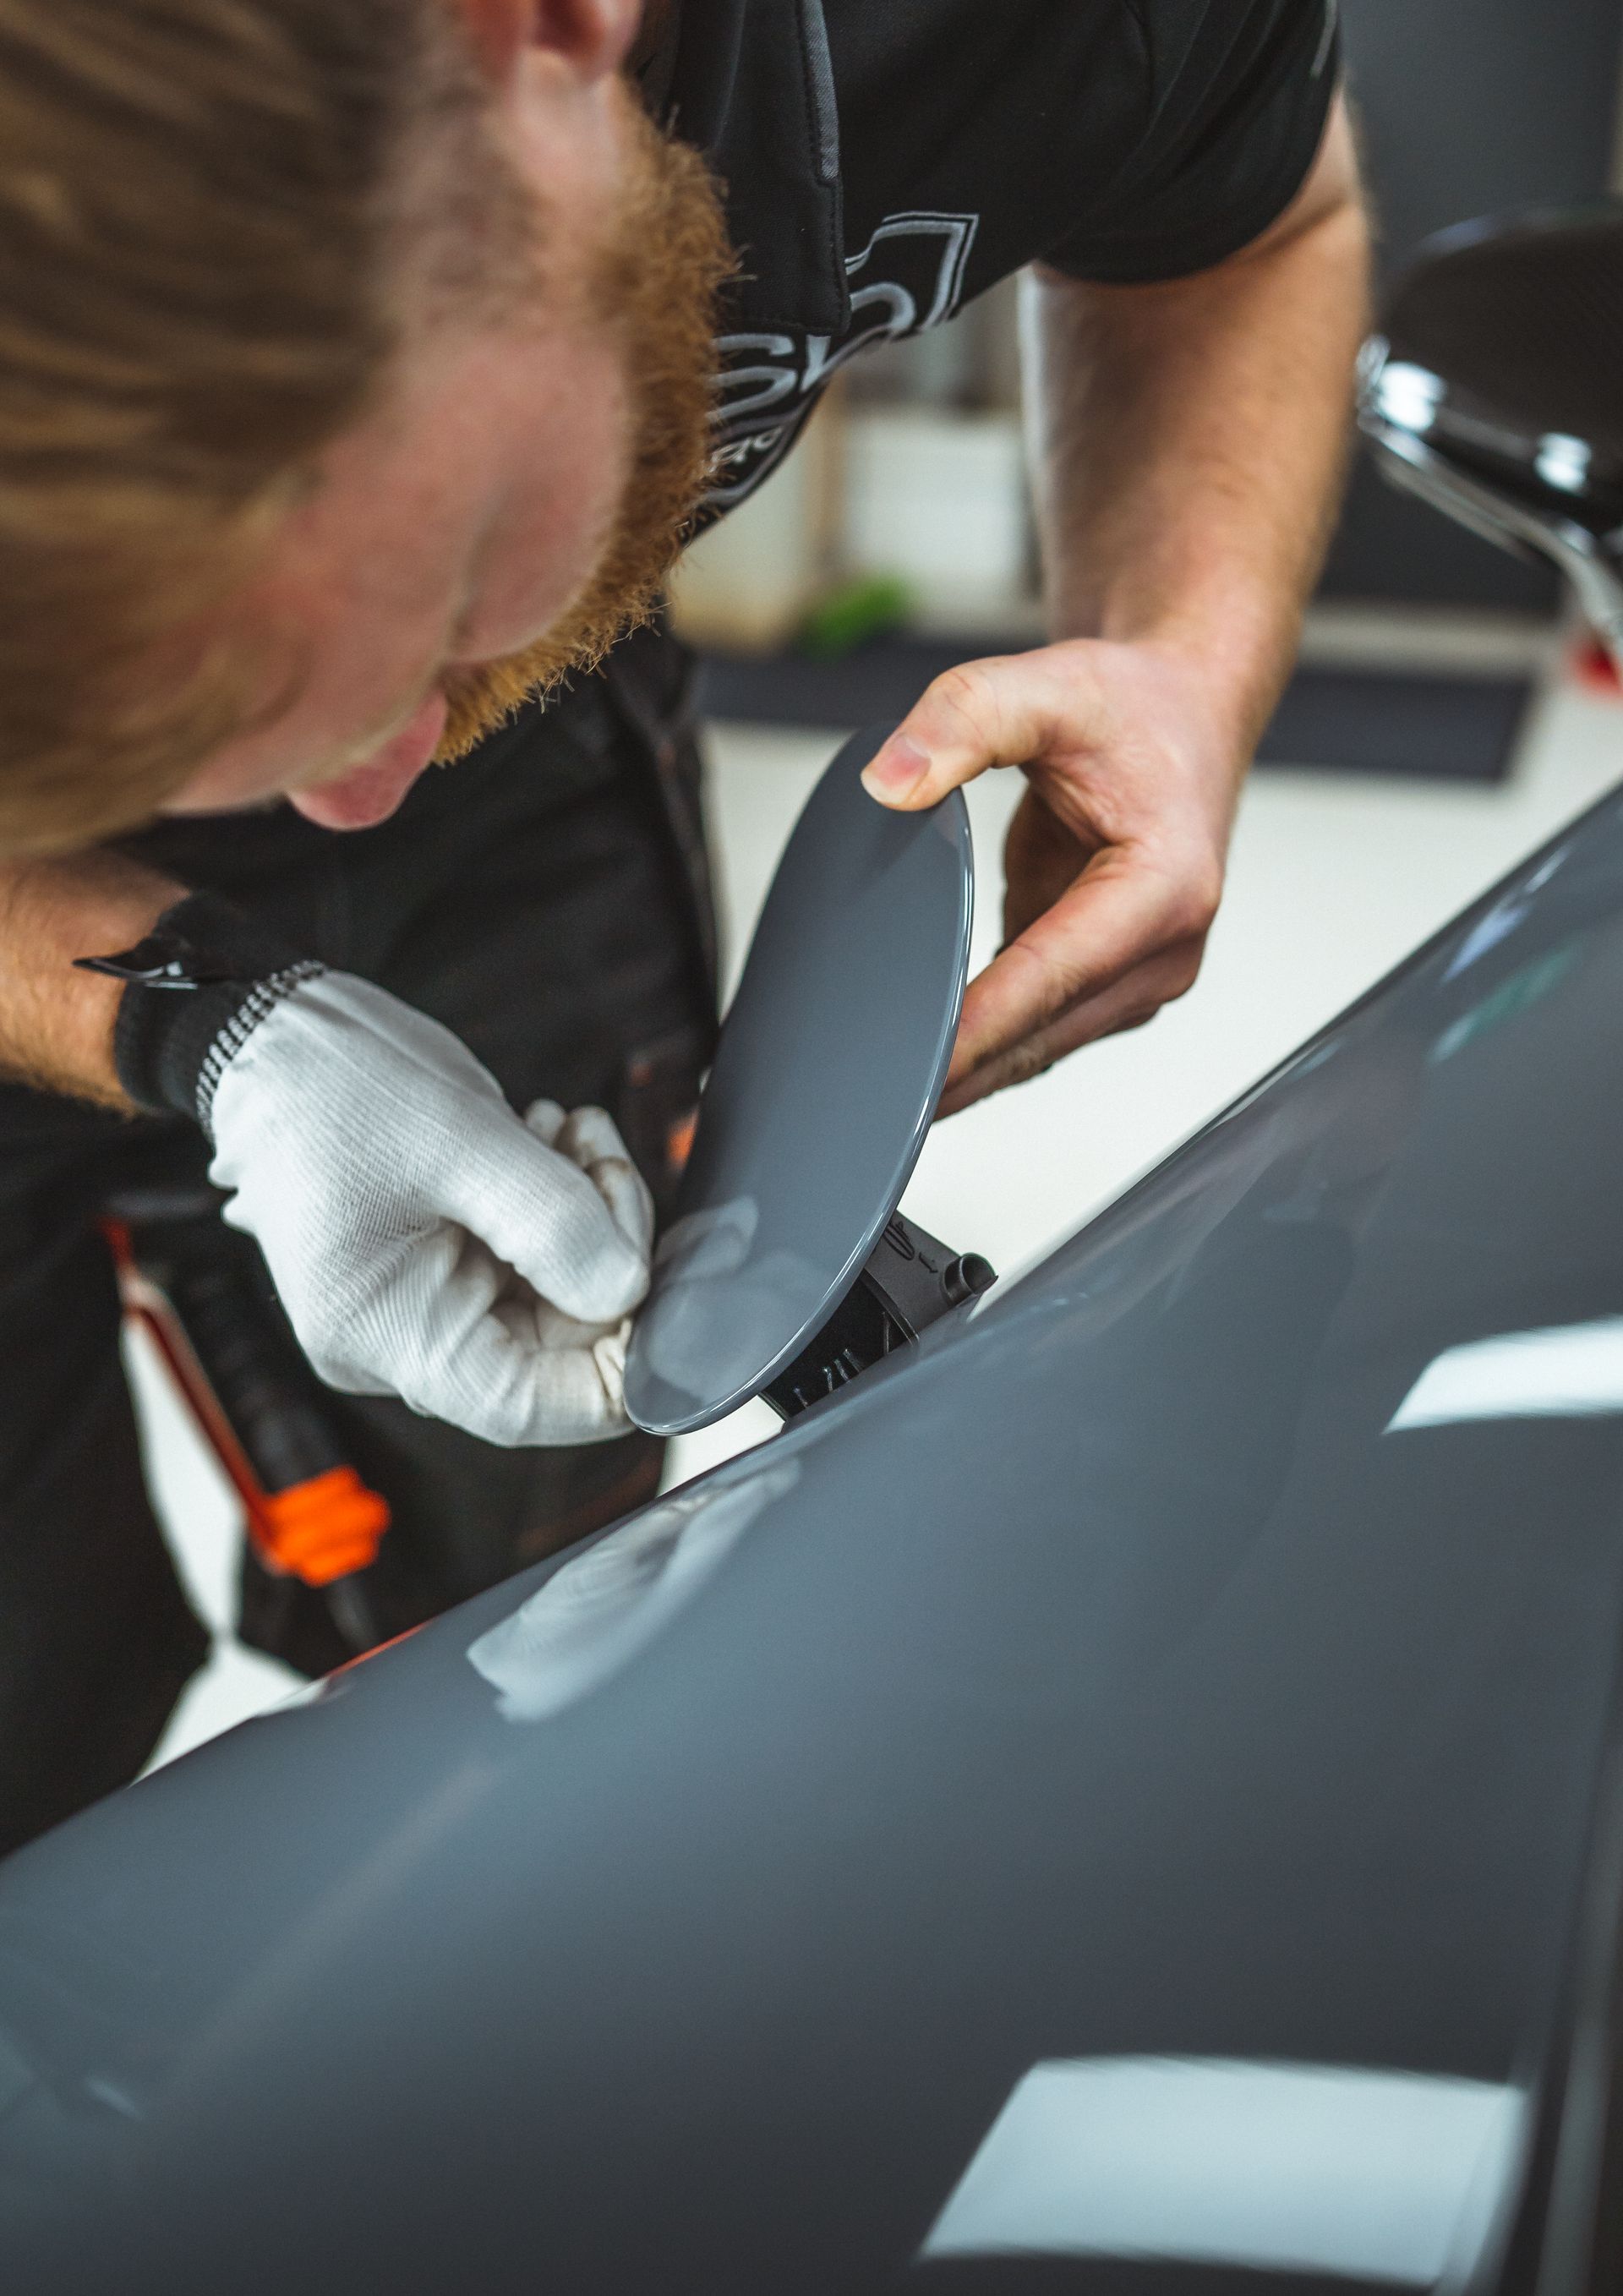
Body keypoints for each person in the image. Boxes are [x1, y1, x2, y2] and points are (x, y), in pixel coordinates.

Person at [0, 0, 1369, 1851]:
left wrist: (1180, 654)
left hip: (540, 788)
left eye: (455, 582)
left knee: (512, 1606)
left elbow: (1247, 218)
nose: (353, 789)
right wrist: (213, 1018)